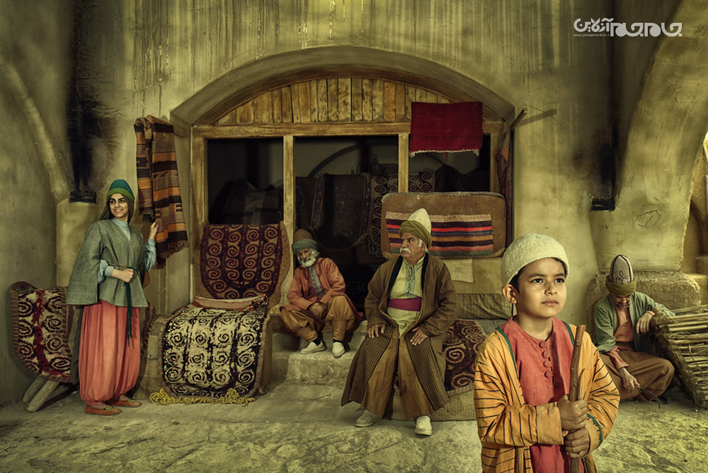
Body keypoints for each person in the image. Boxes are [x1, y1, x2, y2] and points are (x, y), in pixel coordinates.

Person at [474, 233, 619, 472]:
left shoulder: (580, 340)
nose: (551, 289)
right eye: (538, 280)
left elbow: (606, 394)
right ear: (511, 293)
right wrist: (555, 419)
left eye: (559, 280)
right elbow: (491, 424)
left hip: (571, 463)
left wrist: (589, 432)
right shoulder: (495, 350)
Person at [341, 208, 458, 436]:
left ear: (422, 244)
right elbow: (372, 298)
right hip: (391, 323)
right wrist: (375, 319)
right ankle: (372, 409)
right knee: (373, 348)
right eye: (402, 239)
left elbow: (451, 304)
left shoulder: (438, 269)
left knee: (418, 352)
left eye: (409, 240)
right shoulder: (387, 269)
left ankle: (422, 414)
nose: (403, 244)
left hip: (419, 324)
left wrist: (429, 328)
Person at [67, 179, 158, 416]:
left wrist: (150, 239)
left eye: (122, 201)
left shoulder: (136, 235)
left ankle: (117, 392)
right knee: (105, 346)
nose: (117, 205)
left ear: (130, 204)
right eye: (113, 201)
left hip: (129, 298)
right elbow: (86, 262)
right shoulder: (99, 228)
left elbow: (143, 266)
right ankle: (95, 398)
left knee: (126, 346)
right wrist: (114, 272)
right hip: (106, 297)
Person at [593, 254, 675, 402]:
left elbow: (670, 314)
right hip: (611, 357)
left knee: (666, 367)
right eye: (618, 297)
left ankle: (617, 393)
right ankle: (635, 391)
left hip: (634, 356)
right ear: (611, 292)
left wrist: (650, 314)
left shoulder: (641, 299)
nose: (624, 301)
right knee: (597, 364)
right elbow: (606, 344)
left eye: (628, 296)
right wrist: (624, 373)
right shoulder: (602, 307)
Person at [280, 229, 360, 357]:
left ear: (312, 251)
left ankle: (338, 341)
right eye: (300, 254)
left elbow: (339, 285)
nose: (304, 256)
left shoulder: (327, 263)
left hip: (331, 307)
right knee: (286, 311)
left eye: (306, 251)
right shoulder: (299, 272)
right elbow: (293, 295)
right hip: (313, 313)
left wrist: (323, 303)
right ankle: (315, 342)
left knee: (340, 299)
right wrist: (311, 306)